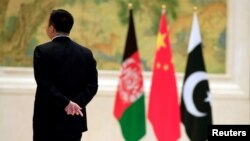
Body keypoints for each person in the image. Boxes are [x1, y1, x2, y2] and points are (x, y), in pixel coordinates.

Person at [32, 9, 98, 141]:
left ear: (51, 28)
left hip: (47, 121)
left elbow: (44, 83)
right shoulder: (86, 53)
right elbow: (92, 85)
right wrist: (75, 104)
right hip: (74, 120)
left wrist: (66, 103)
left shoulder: (42, 51)